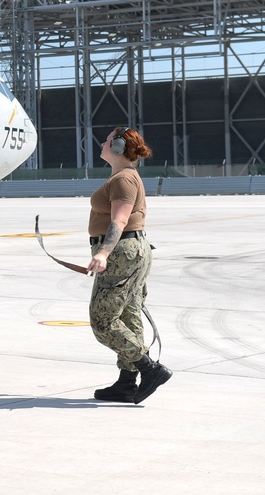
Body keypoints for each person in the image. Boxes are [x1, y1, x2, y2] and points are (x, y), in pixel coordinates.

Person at [85, 126, 171, 404]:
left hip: (122, 251)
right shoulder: (123, 177)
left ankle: (150, 369)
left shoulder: (124, 179)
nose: (103, 143)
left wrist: (103, 252)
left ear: (120, 147)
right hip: (131, 251)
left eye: (108, 141)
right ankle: (126, 382)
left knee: (103, 320)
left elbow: (118, 221)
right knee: (128, 316)